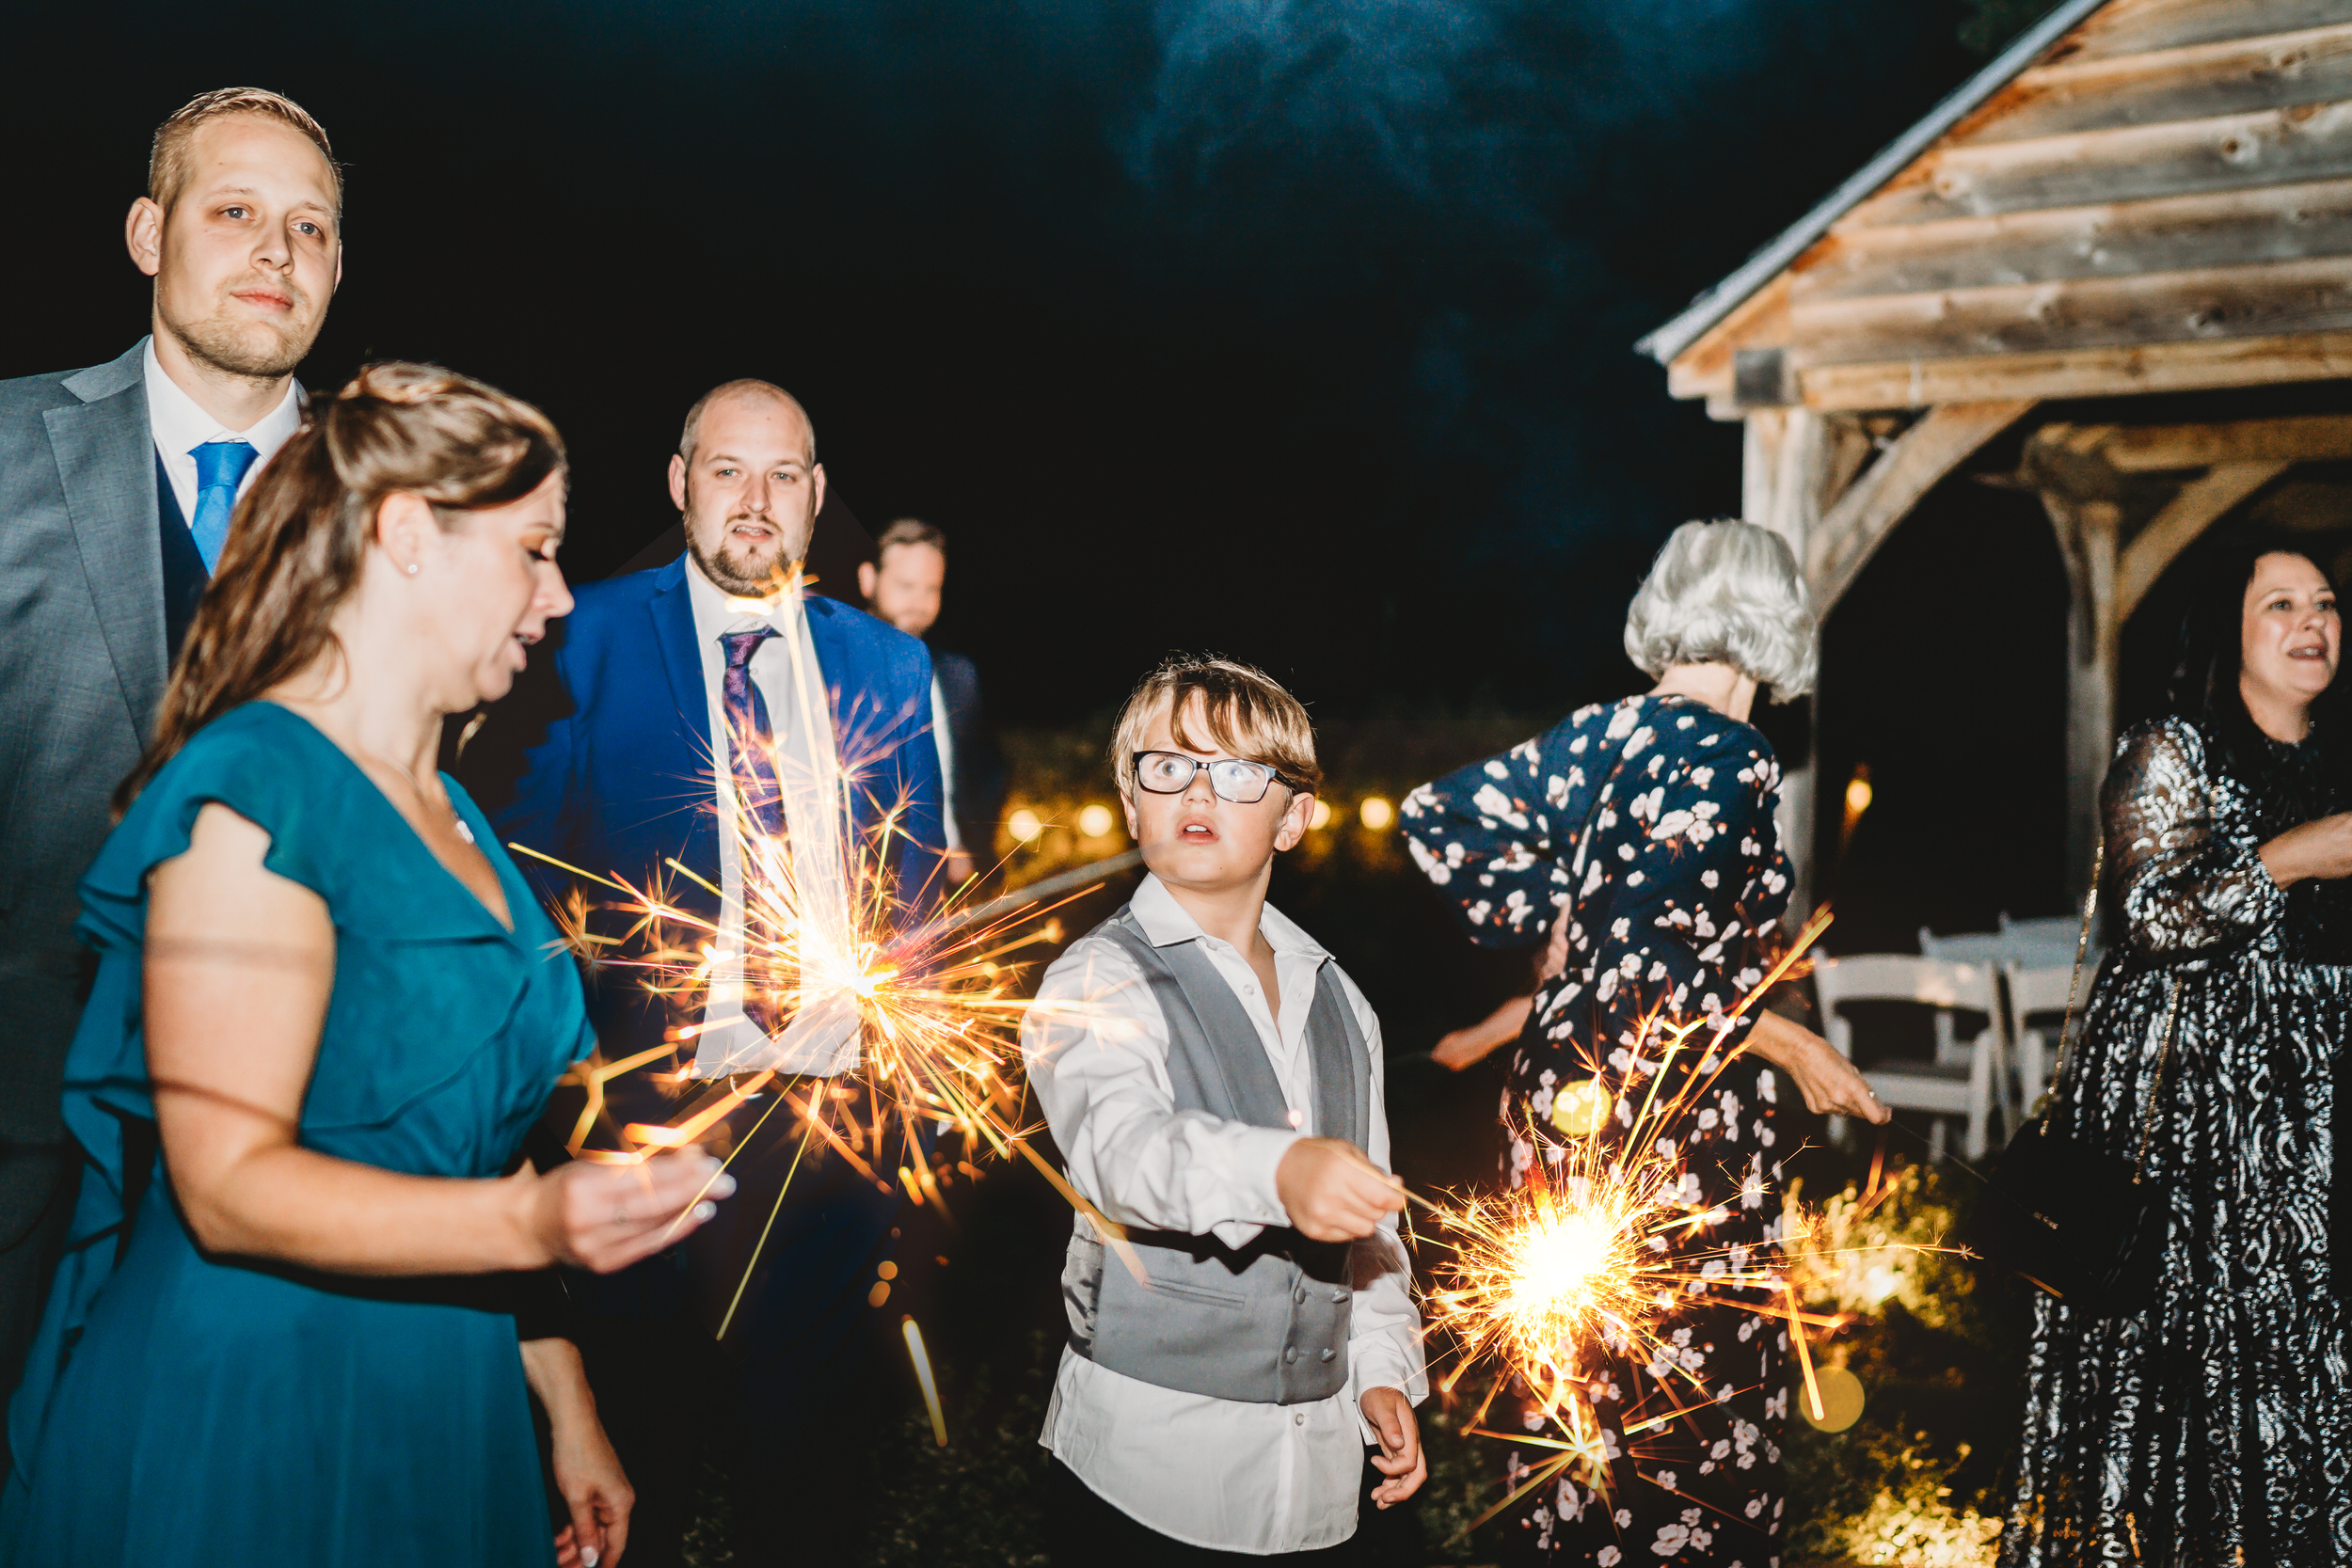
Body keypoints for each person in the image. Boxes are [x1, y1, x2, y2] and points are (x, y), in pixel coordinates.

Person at [2, 363, 731, 1567]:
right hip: (259, 1403)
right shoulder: (254, 790)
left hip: (448, 1389)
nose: (557, 598)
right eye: (534, 549)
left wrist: (570, 1401)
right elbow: (228, 1182)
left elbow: (470, 1147)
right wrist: (537, 1220)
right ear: (404, 533)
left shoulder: (457, 812)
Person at [467, 378, 946, 1567]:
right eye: (726, 470)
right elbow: (516, 883)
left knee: (813, 1488)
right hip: (644, 1131)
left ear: (817, 496)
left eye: (784, 475)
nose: (755, 500)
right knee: (638, 1478)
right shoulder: (580, 638)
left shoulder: (886, 663)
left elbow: (922, 898)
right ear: (679, 482)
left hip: (832, 1139)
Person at [1402, 520, 1883, 1565]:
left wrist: (1561, 939)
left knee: (1574, 1374)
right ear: (1778, 618)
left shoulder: (1604, 730)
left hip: (1566, 1103)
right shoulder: (1729, 753)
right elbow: (1657, 963)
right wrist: (1793, 1048)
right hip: (1670, 1114)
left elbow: (1437, 817)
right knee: (1683, 1398)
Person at [0, 87, 344, 1412]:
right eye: (238, 211)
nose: (278, 251)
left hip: (297, 1151)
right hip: (25, 1141)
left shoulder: (396, 504)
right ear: (149, 232)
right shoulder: (12, 451)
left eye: (312, 227)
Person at [1023, 656, 1428, 1564]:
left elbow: (1375, 1238)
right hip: (1148, 1473)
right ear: (1133, 804)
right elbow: (1121, 1154)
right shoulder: (1098, 976)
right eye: (1167, 765)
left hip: (1321, 1482)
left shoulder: (1343, 1003)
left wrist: (1379, 1372)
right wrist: (1277, 1171)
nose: (1197, 788)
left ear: (1293, 817)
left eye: (1239, 771)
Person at [2002, 542, 2352, 1564]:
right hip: (2204, 1111)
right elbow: (2154, 913)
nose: (2310, 623)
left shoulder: (2341, 753)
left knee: (2315, 1331)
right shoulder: (2174, 748)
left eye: (2325, 604)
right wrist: (2294, 856)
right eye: (2280, 603)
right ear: (2228, 632)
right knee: (2199, 1353)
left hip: (2322, 1102)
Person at [860, 517, 1004, 883]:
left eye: (931, 588)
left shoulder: (958, 674)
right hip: (871, 889)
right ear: (868, 579)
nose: (919, 602)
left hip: (959, 884)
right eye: (906, 585)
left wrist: (973, 844)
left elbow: (987, 771)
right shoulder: (834, 672)